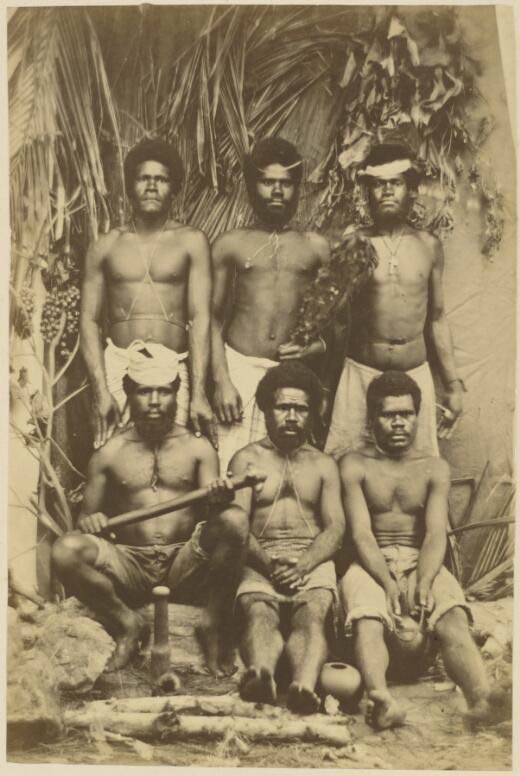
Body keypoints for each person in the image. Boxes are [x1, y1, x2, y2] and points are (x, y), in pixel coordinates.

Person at [51, 344, 248, 675]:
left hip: (184, 564)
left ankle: (212, 623)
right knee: (64, 550)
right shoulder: (109, 454)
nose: (154, 401)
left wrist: (218, 498)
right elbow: (83, 521)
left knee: (235, 519)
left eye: (163, 391)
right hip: (130, 565)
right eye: (144, 392)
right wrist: (93, 520)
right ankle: (128, 623)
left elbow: (216, 520)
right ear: (128, 392)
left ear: (176, 393)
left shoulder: (199, 448)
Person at [338, 370, 502, 730]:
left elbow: (433, 535)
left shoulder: (434, 468)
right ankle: (381, 699)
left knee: (452, 613)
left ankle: (481, 700)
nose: (399, 423)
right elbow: (362, 533)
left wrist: (425, 581)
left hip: (420, 559)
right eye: (389, 414)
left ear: (417, 416)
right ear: (372, 418)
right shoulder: (354, 465)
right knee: (367, 615)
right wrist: (387, 581)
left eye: (407, 414)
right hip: (369, 563)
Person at [326, 143, 464, 459]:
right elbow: (335, 318)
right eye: (378, 184)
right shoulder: (354, 243)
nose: (387, 191)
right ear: (368, 192)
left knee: (415, 472)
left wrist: (453, 385)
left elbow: (438, 318)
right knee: (348, 464)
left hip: (413, 375)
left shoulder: (428, 246)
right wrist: (327, 386)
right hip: (360, 375)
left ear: (411, 190)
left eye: (396, 183)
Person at [223, 361, 344, 714]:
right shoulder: (245, 459)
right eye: (283, 407)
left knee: (312, 615)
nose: (291, 416)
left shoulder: (324, 465)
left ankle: (304, 686)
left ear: (312, 413)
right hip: (260, 557)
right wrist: (270, 565)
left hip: (311, 559)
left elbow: (335, 527)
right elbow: (237, 526)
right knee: (260, 612)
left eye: (300, 409)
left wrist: (304, 565)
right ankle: (262, 675)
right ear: (265, 408)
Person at [80, 138, 214, 450]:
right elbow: (88, 321)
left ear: (174, 188)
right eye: (143, 178)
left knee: (176, 459)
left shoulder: (192, 242)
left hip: (173, 370)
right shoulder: (105, 246)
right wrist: (101, 391)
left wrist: (198, 393)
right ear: (129, 187)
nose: (152, 186)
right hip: (120, 367)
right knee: (115, 457)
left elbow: (200, 317)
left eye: (161, 179)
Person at [211, 138, 331, 473]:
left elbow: (341, 326)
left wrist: (314, 347)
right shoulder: (230, 244)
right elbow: (210, 319)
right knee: (232, 466)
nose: (277, 191)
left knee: (287, 468)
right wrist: (222, 380)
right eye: (267, 182)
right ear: (252, 186)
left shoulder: (315, 248)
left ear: (297, 190)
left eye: (286, 183)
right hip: (240, 370)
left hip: (293, 378)